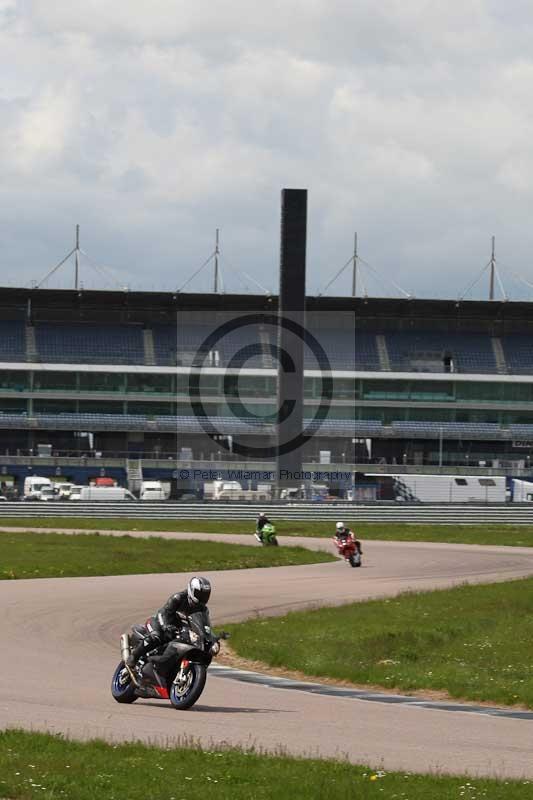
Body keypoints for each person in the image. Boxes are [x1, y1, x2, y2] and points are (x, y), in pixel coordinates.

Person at [125, 576, 212, 669]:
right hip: (159, 623)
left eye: (205, 595)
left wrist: (210, 638)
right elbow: (163, 613)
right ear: (191, 590)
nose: (202, 598)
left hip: (177, 631)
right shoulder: (178, 598)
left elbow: (204, 626)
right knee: (156, 637)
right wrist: (166, 626)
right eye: (199, 594)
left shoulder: (203, 610)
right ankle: (134, 657)